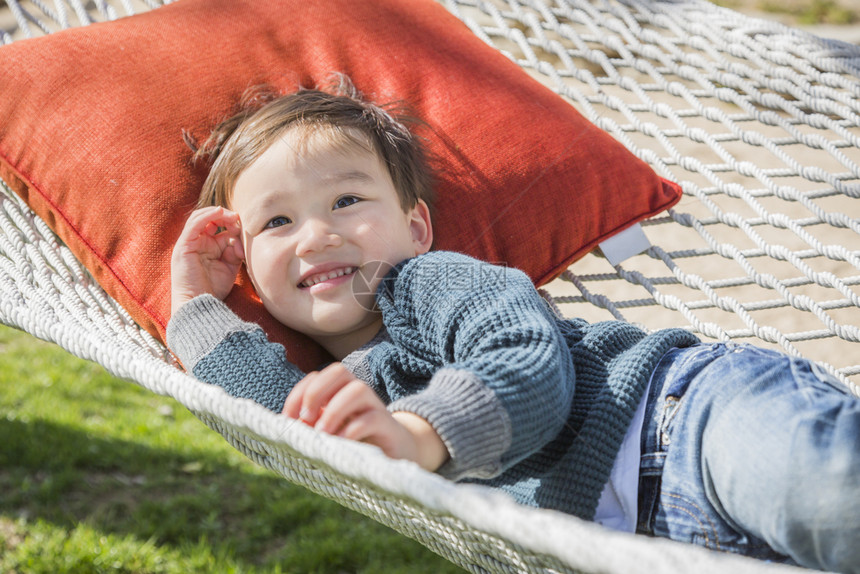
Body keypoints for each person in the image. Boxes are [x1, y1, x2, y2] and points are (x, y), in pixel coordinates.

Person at [167, 75, 860, 573]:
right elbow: (277, 425)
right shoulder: (343, 391)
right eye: (278, 222)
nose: (317, 236)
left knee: (833, 495)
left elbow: (526, 359)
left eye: (347, 199)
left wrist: (417, 434)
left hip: (683, 420)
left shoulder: (421, 282)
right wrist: (197, 304)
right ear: (251, 273)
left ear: (415, 229)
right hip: (647, 540)